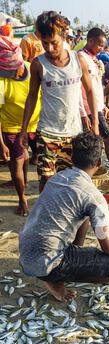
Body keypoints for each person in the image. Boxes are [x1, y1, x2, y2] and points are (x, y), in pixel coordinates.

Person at [19, 132, 109, 303]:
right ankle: (55, 279)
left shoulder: (57, 178)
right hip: (47, 263)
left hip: (26, 255)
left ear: (72, 158)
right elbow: (108, 246)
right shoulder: (93, 196)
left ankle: (61, 268)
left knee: (84, 216)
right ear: (99, 163)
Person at [19, 11, 99, 193]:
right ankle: (46, 217)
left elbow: (89, 90)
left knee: (71, 183)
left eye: (53, 42)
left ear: (63, 36)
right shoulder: (38, 64)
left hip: (74, 133)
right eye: (44, 43)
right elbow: (32, 96)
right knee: (47, 182)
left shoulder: (78, 61)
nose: (49, 48)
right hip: (47, 133)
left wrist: (94, 122)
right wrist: (24, 129)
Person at [78, 28, 109, 187]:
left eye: (103, 45)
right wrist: (84, 112)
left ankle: (99, 174)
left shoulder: (94, 59)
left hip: (96, 107)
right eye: (100, 45)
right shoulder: (81, 57)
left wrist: (103, 105)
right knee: (102, 140)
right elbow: (80, 88)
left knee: (97, 141)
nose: (102, 48)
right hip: (88, 108)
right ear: (90, 41)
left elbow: (97, 86)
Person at [0, 40, 41, 216]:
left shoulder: (32, 69)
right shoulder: (2, 80)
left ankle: (22, 182)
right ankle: (22, 198)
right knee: (16, 162)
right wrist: (1, 143)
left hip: (32, 124)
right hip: (11, 125)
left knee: (24, 156)